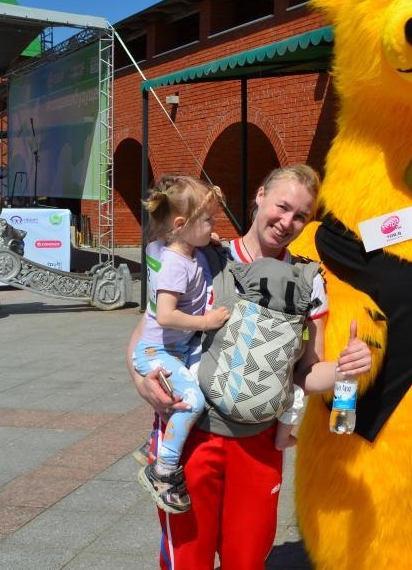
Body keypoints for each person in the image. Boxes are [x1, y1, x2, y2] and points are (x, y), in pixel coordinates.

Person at [128, 165, 372, 569]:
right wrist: (143, 384)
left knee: (247, 560)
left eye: (301, 215)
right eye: (282, 206)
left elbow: (307, 373)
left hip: (259, 445)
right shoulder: (204, 256)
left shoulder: (309, 281)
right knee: (188, 560)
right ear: (260, 195)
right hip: (194, 436)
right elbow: (145, 334)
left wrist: (345, 370)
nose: (287, 222)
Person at [131, 175, 231, 514]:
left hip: (177, 349)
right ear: (179, 225)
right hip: (157, 351)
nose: (214, 226)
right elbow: (166, 315)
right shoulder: (175, 265)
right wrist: (207, 322)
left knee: (197, 385)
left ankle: (153, 442)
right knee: (191, 401)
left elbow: (162, 238)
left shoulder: (177, 248)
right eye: (208, 220)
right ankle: (162, 471)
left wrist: (205, 230)